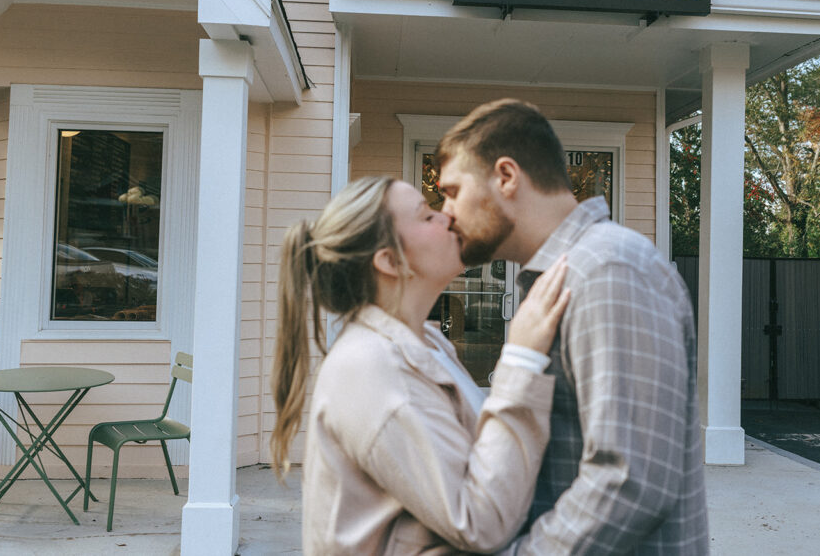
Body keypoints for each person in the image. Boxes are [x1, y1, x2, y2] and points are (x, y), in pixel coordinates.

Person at [437, 99, 709, 555]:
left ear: (506, 177)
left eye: (451, 191)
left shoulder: (608, 271)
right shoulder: (568, 273)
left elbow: (629, 481)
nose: (445, 212)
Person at [270, 175, 570, 555]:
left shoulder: (426, 343)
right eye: (426, 216)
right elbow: (480, 521)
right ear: (390, 261)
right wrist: (522, 360)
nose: (446, 216)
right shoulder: (374, 369)